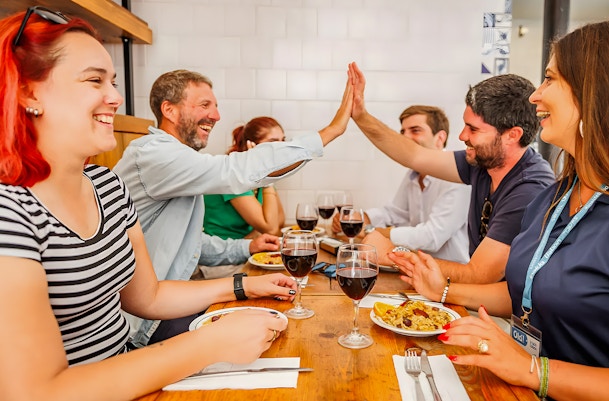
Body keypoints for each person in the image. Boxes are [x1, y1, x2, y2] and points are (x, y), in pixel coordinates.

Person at [392, 15, 609, 400]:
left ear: (599, 93)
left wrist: (532, 370)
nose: (535, 95)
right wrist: (445, 290)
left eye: (551, 79)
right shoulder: (555, 196)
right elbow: (529, 291)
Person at [0, 8, 301, 400]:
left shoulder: (107, 187)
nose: (115, 97)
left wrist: (245, 286)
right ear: (27, 92)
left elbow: (148, 296)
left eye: (112, 81)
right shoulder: (11, 212)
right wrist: (209, 344)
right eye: (94, 81)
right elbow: (37, 393)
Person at [113, 67, 352, 346]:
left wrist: (247, 247)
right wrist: (332, 131)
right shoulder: (154, 153)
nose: (216, 115)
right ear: (170, 110)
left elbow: (188, 244)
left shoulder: (176, 161)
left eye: (215, 107)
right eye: (205, 105)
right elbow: (237, 169)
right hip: (142, 326)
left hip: (164, 309)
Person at [348, 62, 555, 286]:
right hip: (474, 298)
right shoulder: (483, 162)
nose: (461, 135)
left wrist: (394, 254)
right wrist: (360, 116)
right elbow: (414, 156)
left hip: (503, 316)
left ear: (512, 135)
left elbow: (480, 275)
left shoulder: (528, 188)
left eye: (473, 129)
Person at [332, 105, 471, 263]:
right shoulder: (413, 174)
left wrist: (372, 231)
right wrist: (362, 218)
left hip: (451, 276)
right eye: (403, 132)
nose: (405, 138)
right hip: (418, 268)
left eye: (415, 130)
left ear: (440, 138)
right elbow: (395, 213)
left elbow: (431, 236)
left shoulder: (458, 178)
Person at [203, 117, 287, 240]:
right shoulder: (234, 173)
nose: (282, 149)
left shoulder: (257, 172)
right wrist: (267, 178)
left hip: (248, 246)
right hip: (224, 251)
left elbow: (280, 220)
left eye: (283, 141)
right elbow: (272, 228)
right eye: (273, 142)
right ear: (251, 145)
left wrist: (267, 175)